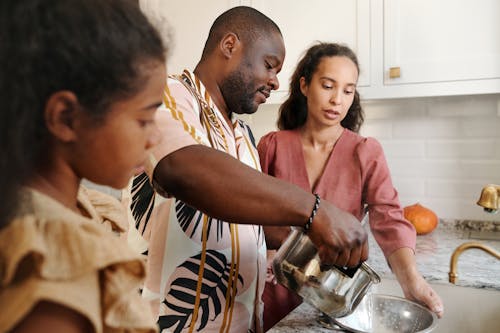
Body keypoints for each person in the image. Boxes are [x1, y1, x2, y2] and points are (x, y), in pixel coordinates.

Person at [128, 6, 369, 333]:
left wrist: (313, 245)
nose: (274, 81)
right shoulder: (167, 95)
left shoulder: (241, 133)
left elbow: (247, 222)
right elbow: (181, 168)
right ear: (230, 46)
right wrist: (316, 211)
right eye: (269, 65)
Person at [0, 0, 168, 332]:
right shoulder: (51, 264)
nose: (154, 137)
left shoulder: (70, 211)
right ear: (66, 117)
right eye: (144, 119)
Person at [257, 42, 445, 330]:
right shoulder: (272, 146)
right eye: (328, 86)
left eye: (348, 90)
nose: (337, 100)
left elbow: (389, 220)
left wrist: (412, 282)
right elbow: (250, 215)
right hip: (268, 292)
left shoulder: (365, 152)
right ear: (305, 86)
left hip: (329, 299)